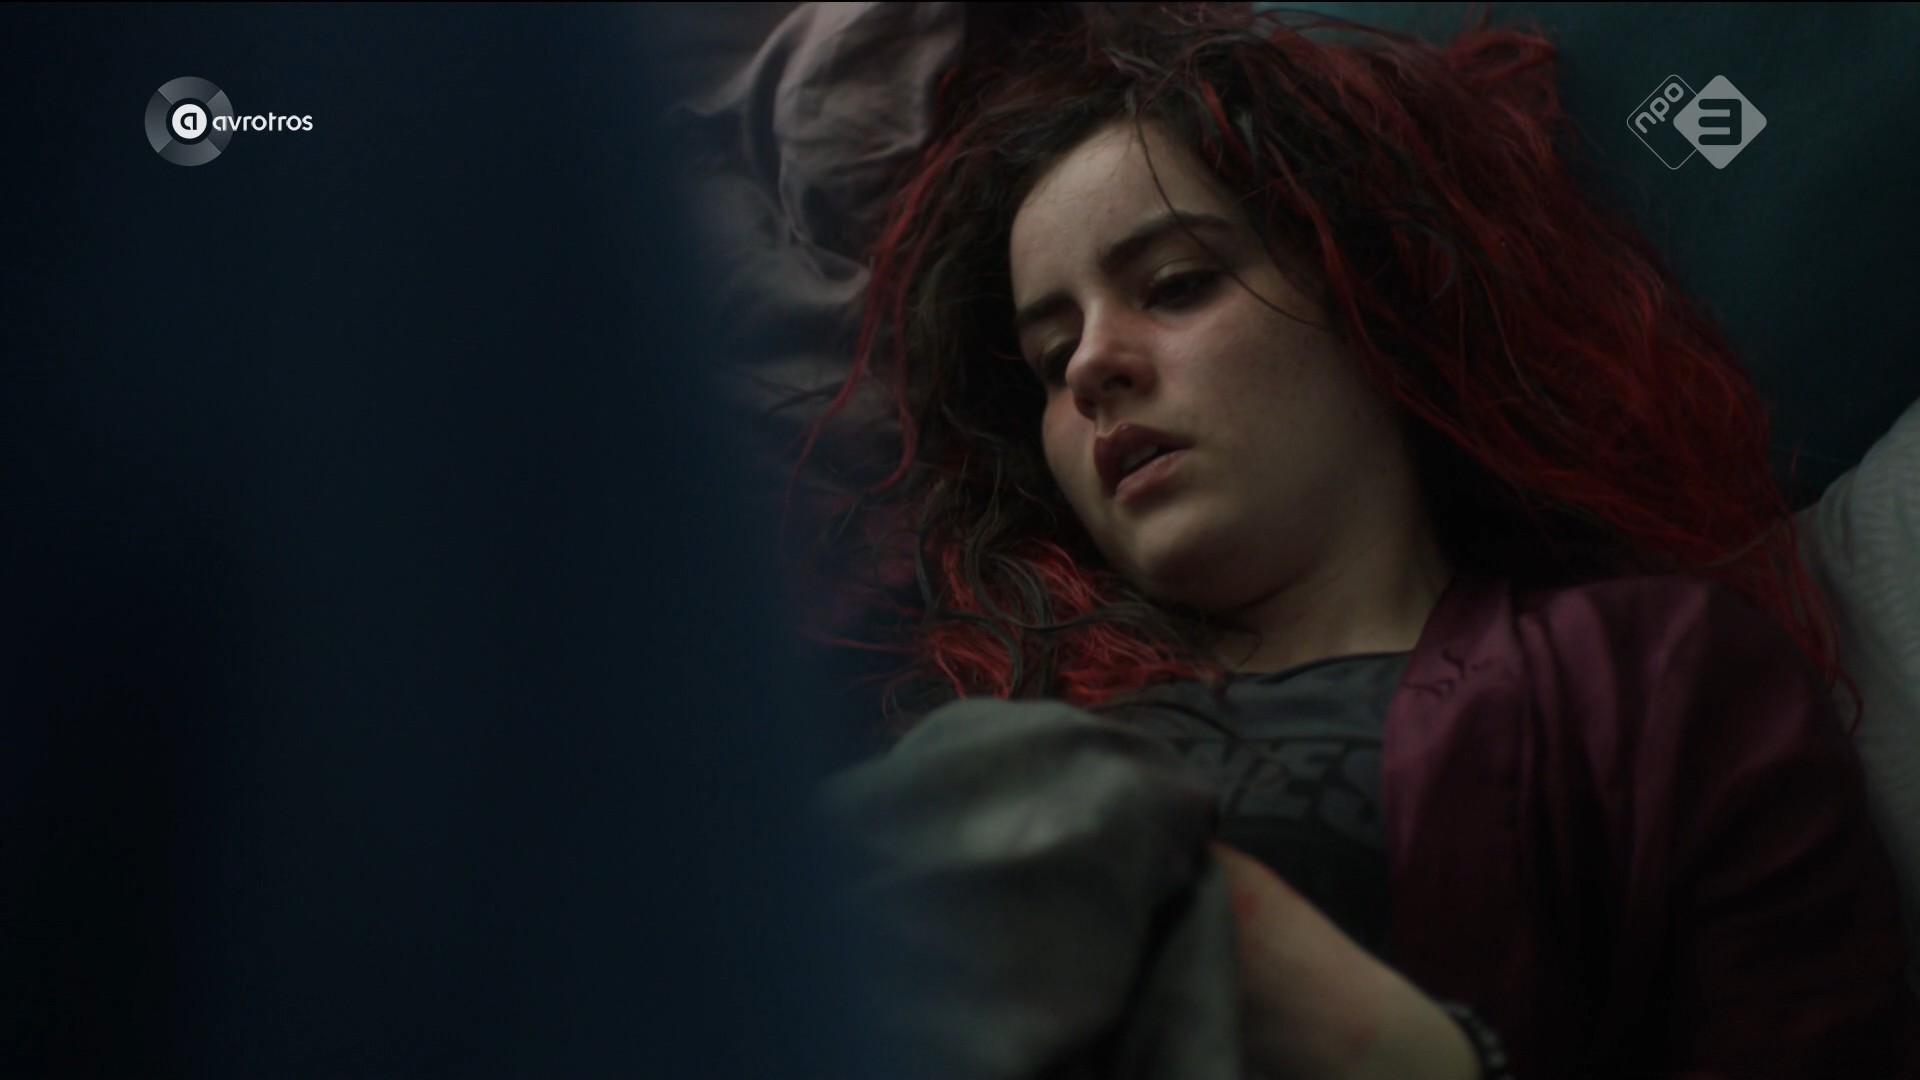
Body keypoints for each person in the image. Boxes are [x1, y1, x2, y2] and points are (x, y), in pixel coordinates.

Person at [797, 4, 1919, 1078]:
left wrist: (1395, 1054)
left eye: (1176, 285)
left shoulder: (1650, 677)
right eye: (1051, 358)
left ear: (1370, 298)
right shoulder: (990, 730)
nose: (1091, 365)